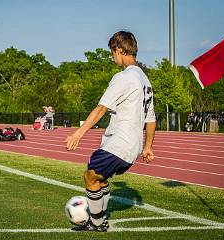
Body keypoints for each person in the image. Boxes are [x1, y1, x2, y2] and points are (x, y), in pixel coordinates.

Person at [65, 30, 156, 232]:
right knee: (99, 177)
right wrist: (147, 147)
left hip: (120, 143)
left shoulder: (124, 77)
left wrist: (78, 134)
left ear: (121, 49)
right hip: (131, 146)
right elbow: (151, 120)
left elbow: (101, 109)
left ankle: (97, 223)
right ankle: (99, 219)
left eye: (113, 51)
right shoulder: (145, 81)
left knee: (90, 176)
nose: (112, 56)